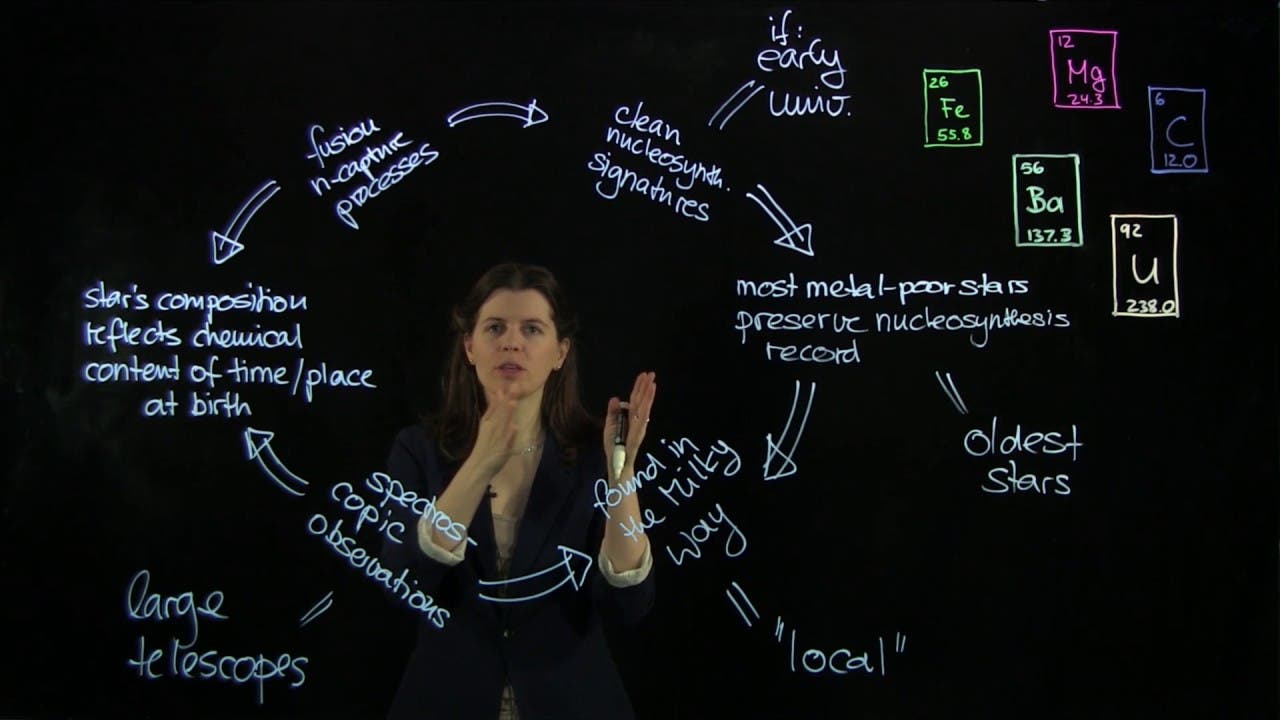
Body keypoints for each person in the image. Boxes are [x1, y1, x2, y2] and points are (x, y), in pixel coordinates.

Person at [380, 262, 657, 719]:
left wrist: (621, 474)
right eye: (495, 328)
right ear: (469, 347)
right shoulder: (417, 451)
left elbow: (629, 605)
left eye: (532, 328)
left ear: (560, 352)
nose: (512, 342)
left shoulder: (594, 455)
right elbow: (404, 583)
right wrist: (481, 462)